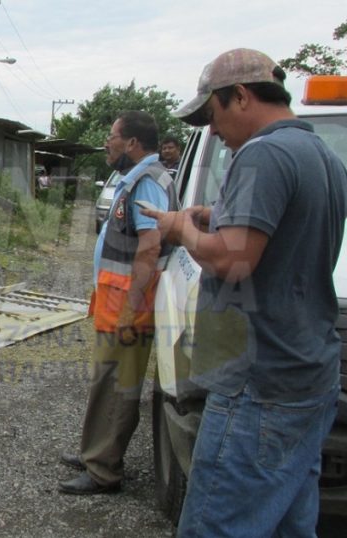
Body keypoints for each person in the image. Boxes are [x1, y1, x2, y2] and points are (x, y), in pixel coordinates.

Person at [142, 48, 346, 536]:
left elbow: (233, 260)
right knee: (289, 525)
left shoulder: (263, 153)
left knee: (216, 524)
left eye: (212, 116)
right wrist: (217, 218)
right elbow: (283, 237)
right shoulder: (322, 156)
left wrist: (179, 228)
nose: (212, 131)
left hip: (259, 385)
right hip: (308, 378)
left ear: (240, 96)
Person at [58, 111, 176, 495]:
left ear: (131, 143)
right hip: (116, 302)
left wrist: (131, 308)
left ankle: (104, 470)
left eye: (112, 136)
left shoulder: (147, 182)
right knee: (105, 383)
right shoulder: (136, 179)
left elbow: (151, 245)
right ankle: (95, 451)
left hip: (129, 306)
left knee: (118, 387)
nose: (107, 142)